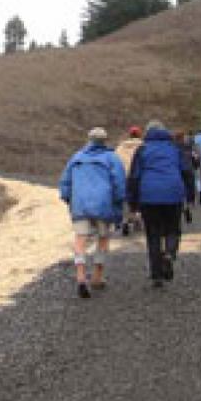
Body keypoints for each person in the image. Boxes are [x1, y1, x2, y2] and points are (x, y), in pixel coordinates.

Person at [59, 127, 126, 298]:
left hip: (80, 204)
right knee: (102, 239)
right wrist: (119, 203)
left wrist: (69, 199)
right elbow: (119, 184)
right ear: (105, 141)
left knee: (80, 239)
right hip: (103, 204)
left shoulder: (76, 157)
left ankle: (81, 276)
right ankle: (97, 276)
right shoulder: (112, 158)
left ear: (89, 139)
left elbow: (65, 182)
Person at [127, 120, 193, 288]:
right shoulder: (175, 149)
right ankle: (170, 254)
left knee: (153, 234)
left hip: (149, 196)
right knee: (172, 229)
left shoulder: (142, 150)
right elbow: (187, 172)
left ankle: (156, 275)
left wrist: (132, 203)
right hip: (173, 194)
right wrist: (189, 196)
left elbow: (134, 177)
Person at [114, 125, 144, 235]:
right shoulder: (143, 145)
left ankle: (125, 221)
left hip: (124, 176)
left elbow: (115, 161)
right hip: (138, 176)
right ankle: (137, 218)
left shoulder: (121, 147)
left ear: (129, 135)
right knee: (139, 199)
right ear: (140, 134)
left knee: (126, 200)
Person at [173, 129, 197, 223]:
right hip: (188, 169)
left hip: (177, 170)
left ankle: (179, 207)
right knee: (189, 188)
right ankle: (187, 205)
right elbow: (195, 157)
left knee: (178, 190)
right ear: (183, 137)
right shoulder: (188, 146)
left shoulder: (173, 147)